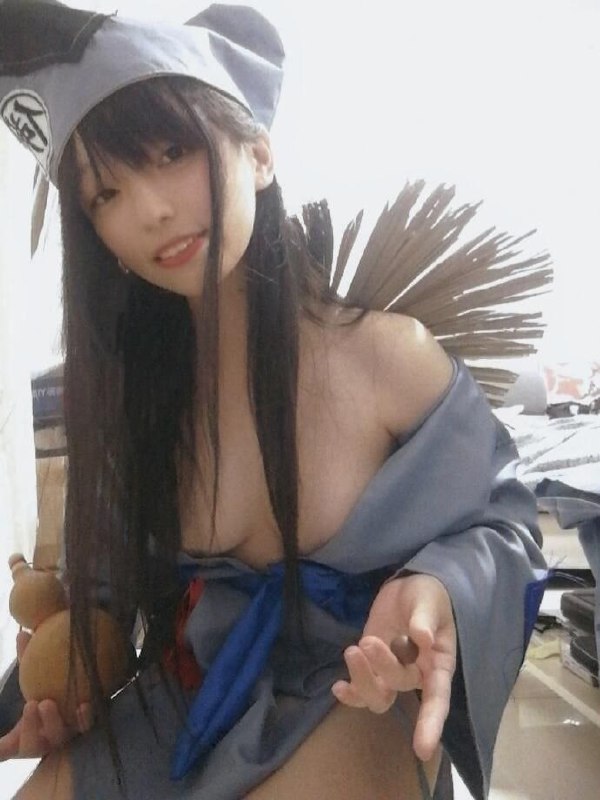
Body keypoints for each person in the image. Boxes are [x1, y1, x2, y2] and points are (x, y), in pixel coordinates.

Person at [0, 2, 547, 798]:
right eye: (105, 193)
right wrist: (68, 684)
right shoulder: (134, 407)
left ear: (257, 151)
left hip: (358, 689)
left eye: (173, 151)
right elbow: (108, 603)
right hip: (193, 696)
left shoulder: (386, 356)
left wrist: (435, 587)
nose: (150, 209)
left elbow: (504, 523)